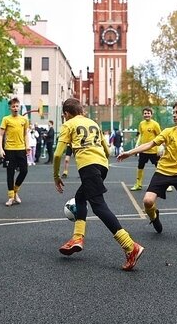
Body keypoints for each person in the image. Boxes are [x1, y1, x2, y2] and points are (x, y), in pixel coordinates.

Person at [53, 98, 144, 271]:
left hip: (88, 166)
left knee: (99, 206)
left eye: (64, 115)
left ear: (66, 113)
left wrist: (56, 176)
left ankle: (130, 246)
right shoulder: (93, 123)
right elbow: (107, 149)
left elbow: (58, 154)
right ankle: (77, 237)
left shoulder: (68, 124)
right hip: (102, 166)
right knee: (80, 197)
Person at [118, 101, 177, 245]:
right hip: (162, 171)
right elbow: (149, 144)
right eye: (173, 112)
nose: (174, 114)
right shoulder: (167, 132)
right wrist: (129, 152)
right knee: (147, 201)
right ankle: (154, 217)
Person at [0, 97, 30, 206]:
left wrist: (27, 146)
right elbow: (0, 135)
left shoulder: (24, 120)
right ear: (10, 108)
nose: (15, 108)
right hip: (9, 149)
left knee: (24, 171)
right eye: (13, 106)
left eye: (17, 106)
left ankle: (15, 190)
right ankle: (11, 197)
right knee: (10, 173)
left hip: (21, 149)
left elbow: (26, 133)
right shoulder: (6, 119)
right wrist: (1, 149)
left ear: (19, 107)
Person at [129, 107, 161, 191]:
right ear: (143, 115)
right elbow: (140, 135)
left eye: (148, 113)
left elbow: (159, 136)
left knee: (159, 167)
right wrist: (137, 145)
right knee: (140, 167)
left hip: (153, 150)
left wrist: (160, 148)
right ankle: (138, 184)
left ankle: (166, 184)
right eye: (145, 113)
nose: (146, 115)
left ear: (151, 114)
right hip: (143, 150)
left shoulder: (155, 124)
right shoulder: (141, 124)